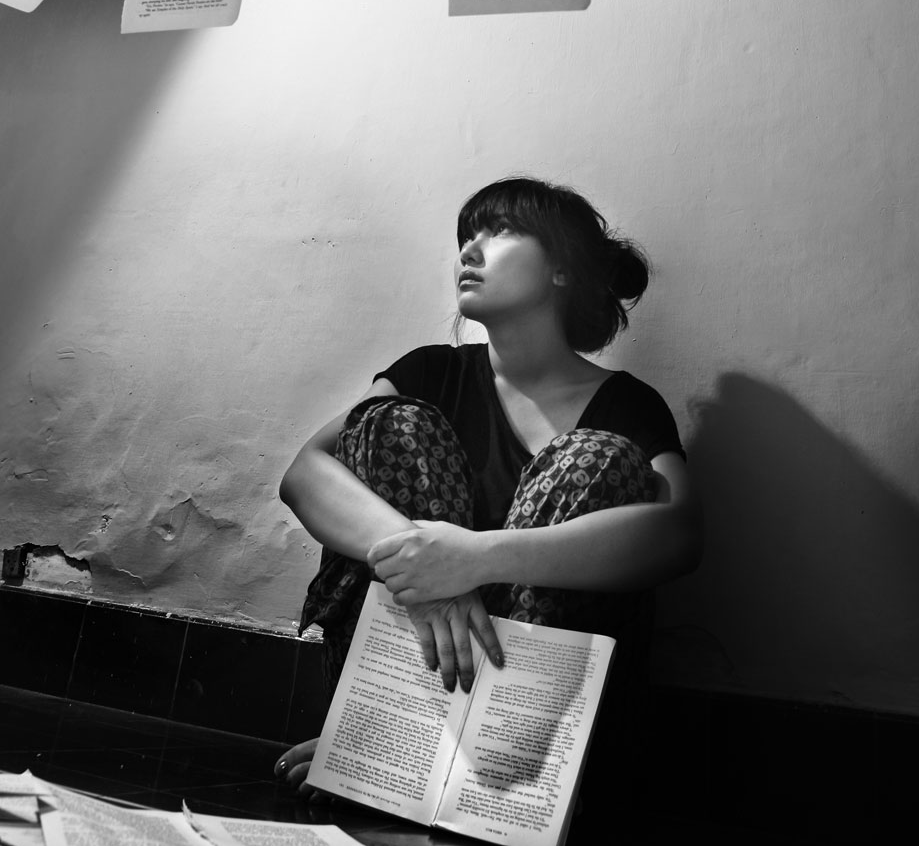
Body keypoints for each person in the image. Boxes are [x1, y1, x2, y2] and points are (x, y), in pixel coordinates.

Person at [275, 176, 703, 801]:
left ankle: (485, 760)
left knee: (597, 458)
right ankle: (392, 729)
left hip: (540, 725)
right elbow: (305, 474)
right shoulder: (430, 372)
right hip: (406, 686)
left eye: (499, 231)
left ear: (561, 268)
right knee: (389, 423)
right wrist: (431, 568)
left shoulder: (627, 404)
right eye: (465, 237)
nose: (468, 251)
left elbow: (682, 535)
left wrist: (476, 557)